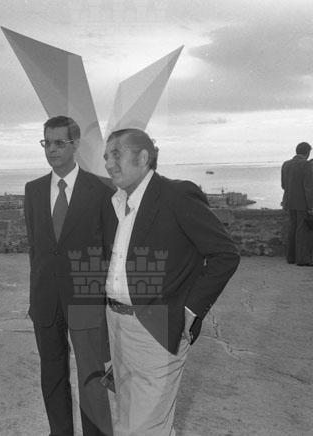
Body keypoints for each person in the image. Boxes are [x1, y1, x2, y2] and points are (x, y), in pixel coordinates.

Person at [101, 128, 240, 435]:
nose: (108, 164)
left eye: (116, 155)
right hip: (117, 323)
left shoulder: (177, 195)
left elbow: (225, 254)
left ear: (143, 157)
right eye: (106, 157)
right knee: (127, 418)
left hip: (157, 325)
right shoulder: (118, 202)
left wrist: (190, 309)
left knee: (145, 427)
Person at [24, 116, 114, 436]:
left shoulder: (101, 190)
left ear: (75, 144)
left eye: (59, 143)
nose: (51, 149)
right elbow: (36, 248)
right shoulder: (33, 190)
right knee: (52, 374)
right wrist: (36, 295)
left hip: (86, 298)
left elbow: (111, 249)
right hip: (45, 300)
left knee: (91, 375)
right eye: (46, 142)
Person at [281, 142, 313, 265]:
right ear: (307, 152)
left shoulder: (286, 164)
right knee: (302, 232)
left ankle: (291, 257)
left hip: (289, 202)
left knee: (291, 229)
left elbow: (283, 185)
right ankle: (302, 259)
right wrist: (311, 206)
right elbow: (308, 188)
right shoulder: (306, 165)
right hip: (303, 203)